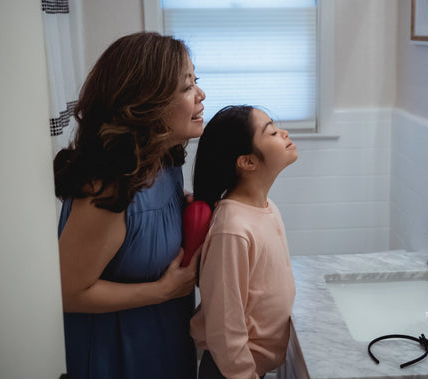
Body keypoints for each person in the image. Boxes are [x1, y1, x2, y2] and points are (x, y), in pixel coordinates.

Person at [53, 32, 205, 379]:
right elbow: (69, 293)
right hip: (117, 354)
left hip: (165, 337)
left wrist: (181, 209)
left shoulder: (166, 162)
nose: (200, 95)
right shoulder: (106, 186)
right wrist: (162, 291)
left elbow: (137, 232)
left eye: (197, 81)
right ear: (145, 102)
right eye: (186, 87)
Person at [190, 105, 298, 379]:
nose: (284, 133)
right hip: (231, 371)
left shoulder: (267, 207)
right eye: (272, 132)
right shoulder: (233, 228)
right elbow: (225, 324)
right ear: (247, 162)